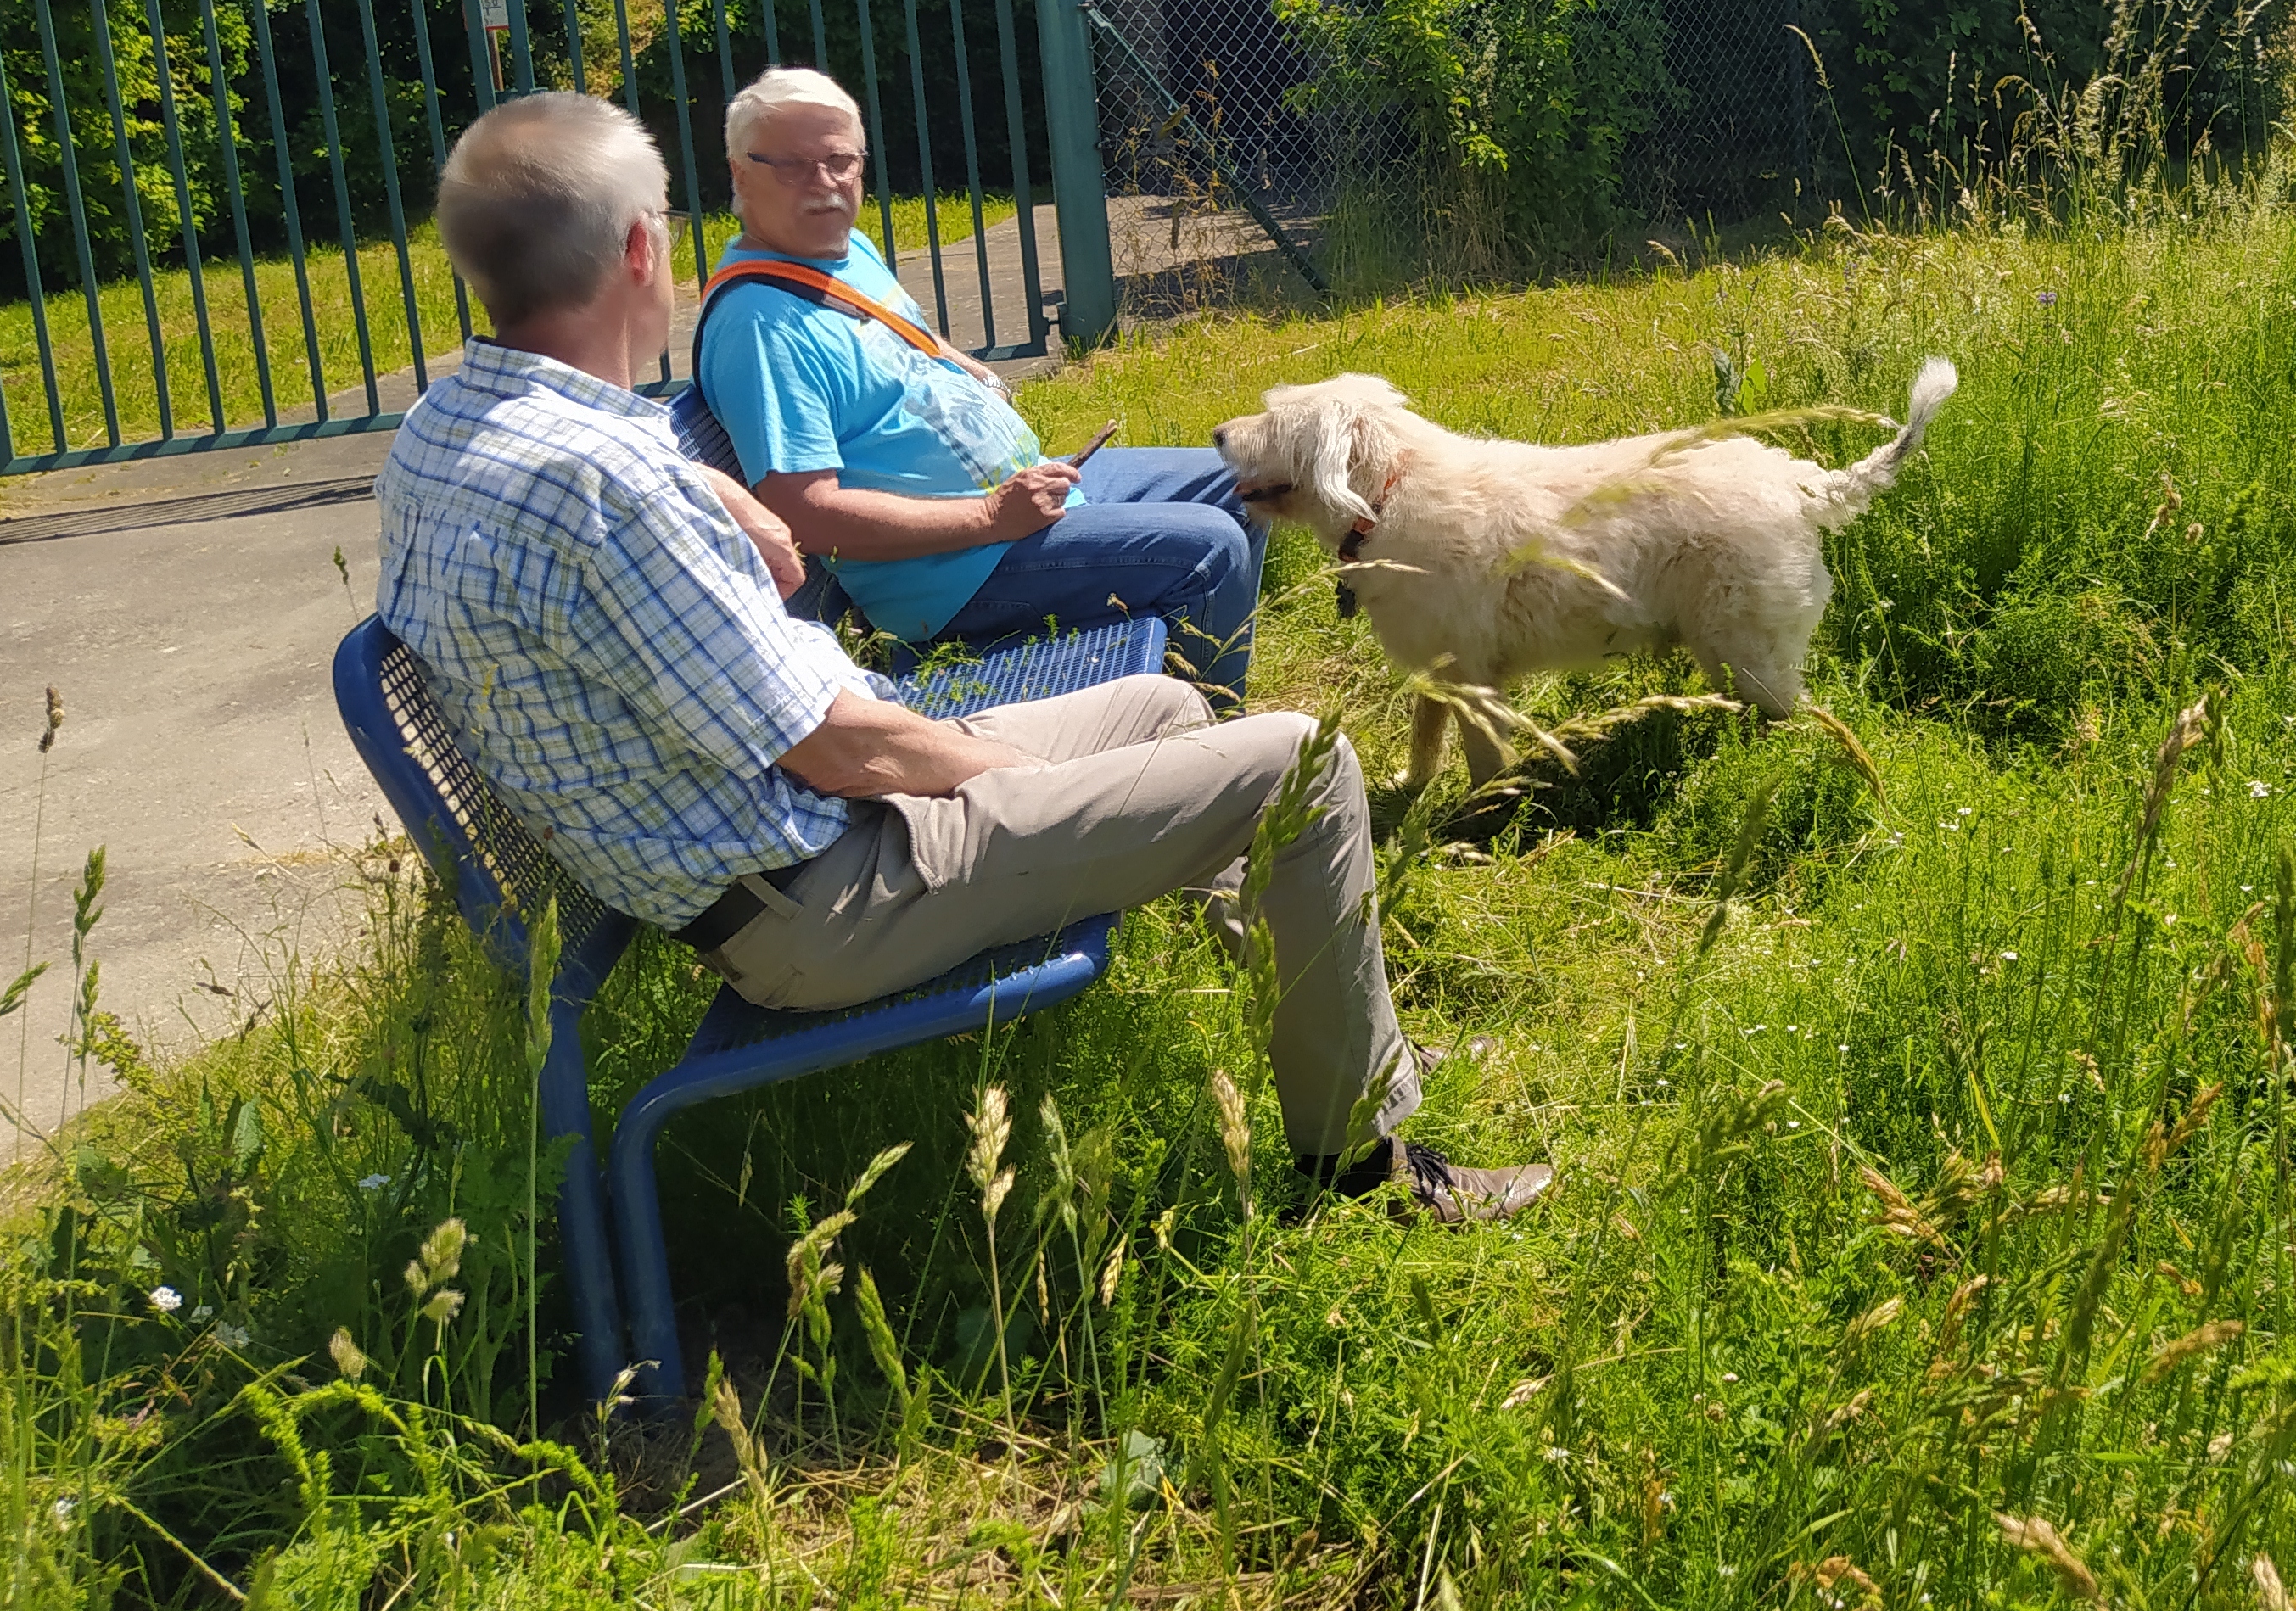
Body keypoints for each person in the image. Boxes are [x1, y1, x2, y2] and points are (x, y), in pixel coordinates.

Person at [374, 90, 1545, 1224]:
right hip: (819, 900)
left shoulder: (447, 430)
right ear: (641, 249)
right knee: (1303, 759)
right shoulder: (609, 488)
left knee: (1160, 706)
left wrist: (718, 491)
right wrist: (1003, 773)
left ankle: (1337, 1035)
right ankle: (1362, 1161)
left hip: (778, 843)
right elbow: (836, 748)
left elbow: (657, 537)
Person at [690, 67, 1262, 700]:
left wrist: (963, 365)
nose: (824, 186)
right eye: (793, 166)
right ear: (741, 173)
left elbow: (897, 339)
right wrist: (991, 514)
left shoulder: (840, 251)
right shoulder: (761, 326)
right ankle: (1210, 744)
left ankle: (1180, 691)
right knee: (1212, 549)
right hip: (960, 575)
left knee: (1245, 481)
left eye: (840, 161)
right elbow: (806, 513)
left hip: (1022, 501)